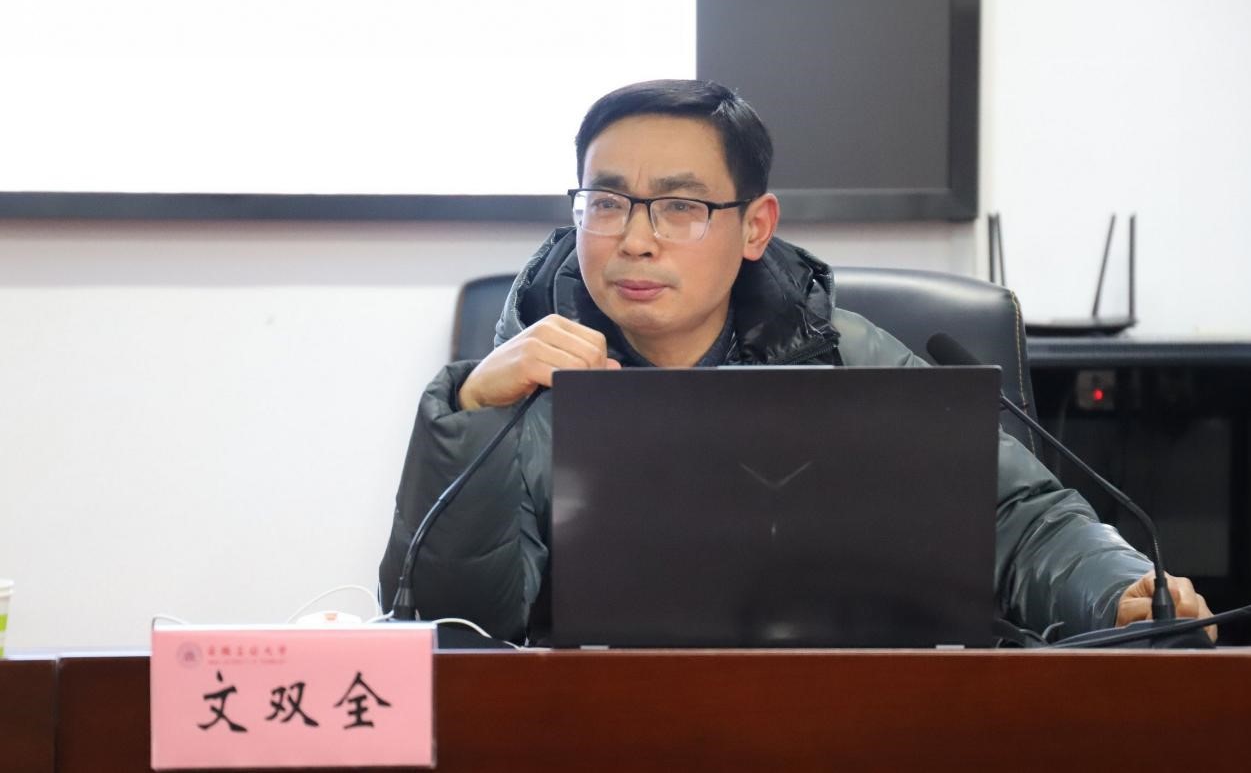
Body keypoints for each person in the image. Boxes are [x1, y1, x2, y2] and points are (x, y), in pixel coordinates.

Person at [379, 79, 1212, 645]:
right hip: (593, 726)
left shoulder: (849, 359)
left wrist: (1118, 587)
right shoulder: (513, 388)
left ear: (755, 227)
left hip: (842, 718)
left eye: (679, 206)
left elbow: (1017, 518)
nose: (634, 238)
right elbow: (455, 629)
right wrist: (472, 411)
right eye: (605, 202)